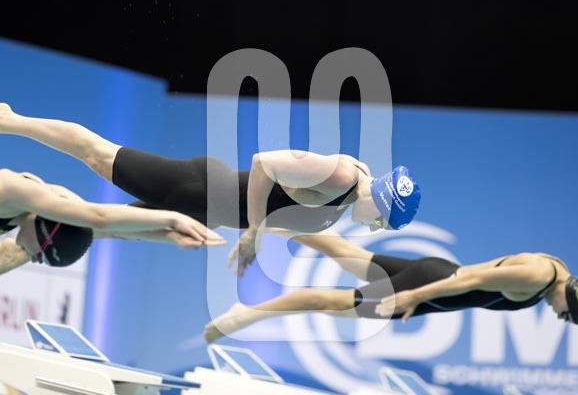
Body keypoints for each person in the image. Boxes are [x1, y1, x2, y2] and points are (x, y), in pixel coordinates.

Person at [0, 103, 421, 276]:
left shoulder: (348, 196)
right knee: (99, 155)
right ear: (380, 200)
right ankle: (10, 120)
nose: (373, 228)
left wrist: (255, 237)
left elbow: (286, 212)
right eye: (381, 222)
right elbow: (264, 163)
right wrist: (253, 230)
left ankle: (12, 249)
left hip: (206, 211)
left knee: (102, 229)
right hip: (198, 188)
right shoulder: (341, 177)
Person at [203, 229, 578, 343]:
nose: (559, 318)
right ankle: (247, 314)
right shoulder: (537, 276)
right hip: (433, 285)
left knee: (350, 255)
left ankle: (271, 226)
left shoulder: (556, 267)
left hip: (433, 273)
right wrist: (413, 297)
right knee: (335, 302)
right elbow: (468, 280)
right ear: (574, 297)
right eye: (568, 317)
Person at [0, 168, 225, 275]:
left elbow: (113, 230)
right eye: (40, 256)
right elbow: (99, 218)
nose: (36, 260)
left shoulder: (49, 200)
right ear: (45, 233)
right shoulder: (10, 190)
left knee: (19, 254)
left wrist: (172, 238)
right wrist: (173, 219)